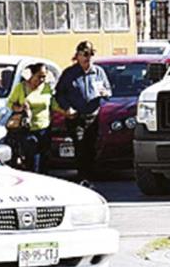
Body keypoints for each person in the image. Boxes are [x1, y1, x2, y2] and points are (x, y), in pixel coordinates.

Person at [55, 41, 112, 185]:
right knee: (80, 146)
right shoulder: (69, 73)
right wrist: (67, 107)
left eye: (91, 54)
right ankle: (83, 178)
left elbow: (108, 92)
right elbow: (59, 94)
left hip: (93, 116)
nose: (88, 58)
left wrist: (105, 93)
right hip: (76, 117)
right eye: (85, 54)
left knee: (91, 147)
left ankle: (89, 176)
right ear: (78, 56)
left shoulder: (98, 72)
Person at [6, 63, 61, 174]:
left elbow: (53, 104)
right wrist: (20, 108)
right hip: (27, 129)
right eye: (39, 76)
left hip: (44, 128)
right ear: (32, 75)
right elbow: (10, 103)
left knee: (44, 158)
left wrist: (66, 112)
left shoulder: (46, 88)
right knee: (33, 157)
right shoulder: (21, 88)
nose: (41, 79)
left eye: (44, 76)